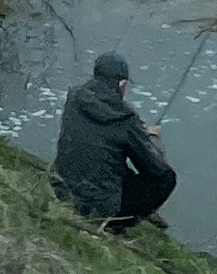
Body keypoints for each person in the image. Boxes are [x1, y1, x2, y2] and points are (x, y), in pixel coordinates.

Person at [52, 50, 178, 231]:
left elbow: (102, 131)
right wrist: (151, 138)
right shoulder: (126, 120)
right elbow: (155, 169)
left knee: (104, 156)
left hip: (61, 188)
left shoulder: (74, 98)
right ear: (122, 84)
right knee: (167, 178)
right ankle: (117, 223)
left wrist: (136, 128)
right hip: (99, 207)